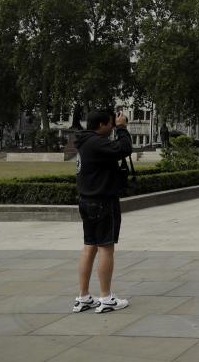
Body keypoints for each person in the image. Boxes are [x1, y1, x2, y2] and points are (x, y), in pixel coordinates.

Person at [73, 110, 133, 314]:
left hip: (86, 200)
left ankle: (83, 297)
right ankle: (106, 298)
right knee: (106, 248)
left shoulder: (85, 141)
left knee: (89, 247)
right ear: (100, 125)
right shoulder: (96, 143)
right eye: (110, 123)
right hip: (102, 202)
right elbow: (124, 148)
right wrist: (123, 128)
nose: (113, 126)